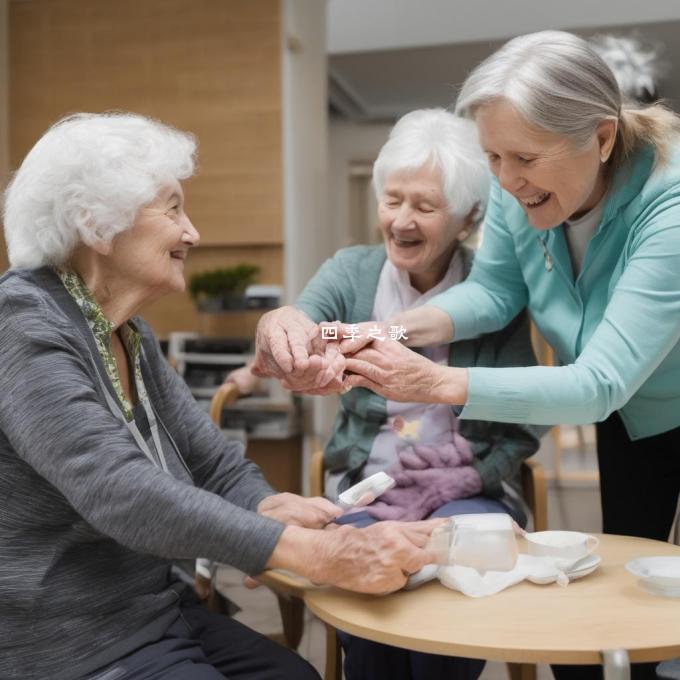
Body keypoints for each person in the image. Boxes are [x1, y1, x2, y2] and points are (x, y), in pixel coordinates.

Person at [0, 112, 441, 680]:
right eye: (173, 208)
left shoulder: (126, 332)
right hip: (68, 641)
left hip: (154, 609)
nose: (193, 232)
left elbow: (209, 458)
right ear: (97, 224)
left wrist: (262, 504)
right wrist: (312, 553)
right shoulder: (23, 324)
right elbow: (119, 491)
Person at [333, 31, 680, 680]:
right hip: (633, 419)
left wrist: (438, 383)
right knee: (618, 605)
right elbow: (493, 291)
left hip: (630, 395)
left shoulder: (671, 206)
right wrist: (394, 331)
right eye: (492, 156)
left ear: (601, 138)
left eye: (522, 157)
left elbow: (600, 382)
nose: (506, 179)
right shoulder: (521, 191)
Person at [248, 108, 542, 680]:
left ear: (467, 218)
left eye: (425, 207)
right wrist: (285, 330)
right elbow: (305, 322)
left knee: (456, 586)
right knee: (370, 590)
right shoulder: (351, 274)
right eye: (392, 200)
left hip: (466, 489)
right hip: (366, 491)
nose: (402, 220)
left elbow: (523, 418)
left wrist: (468, 477)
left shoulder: (496, 288)